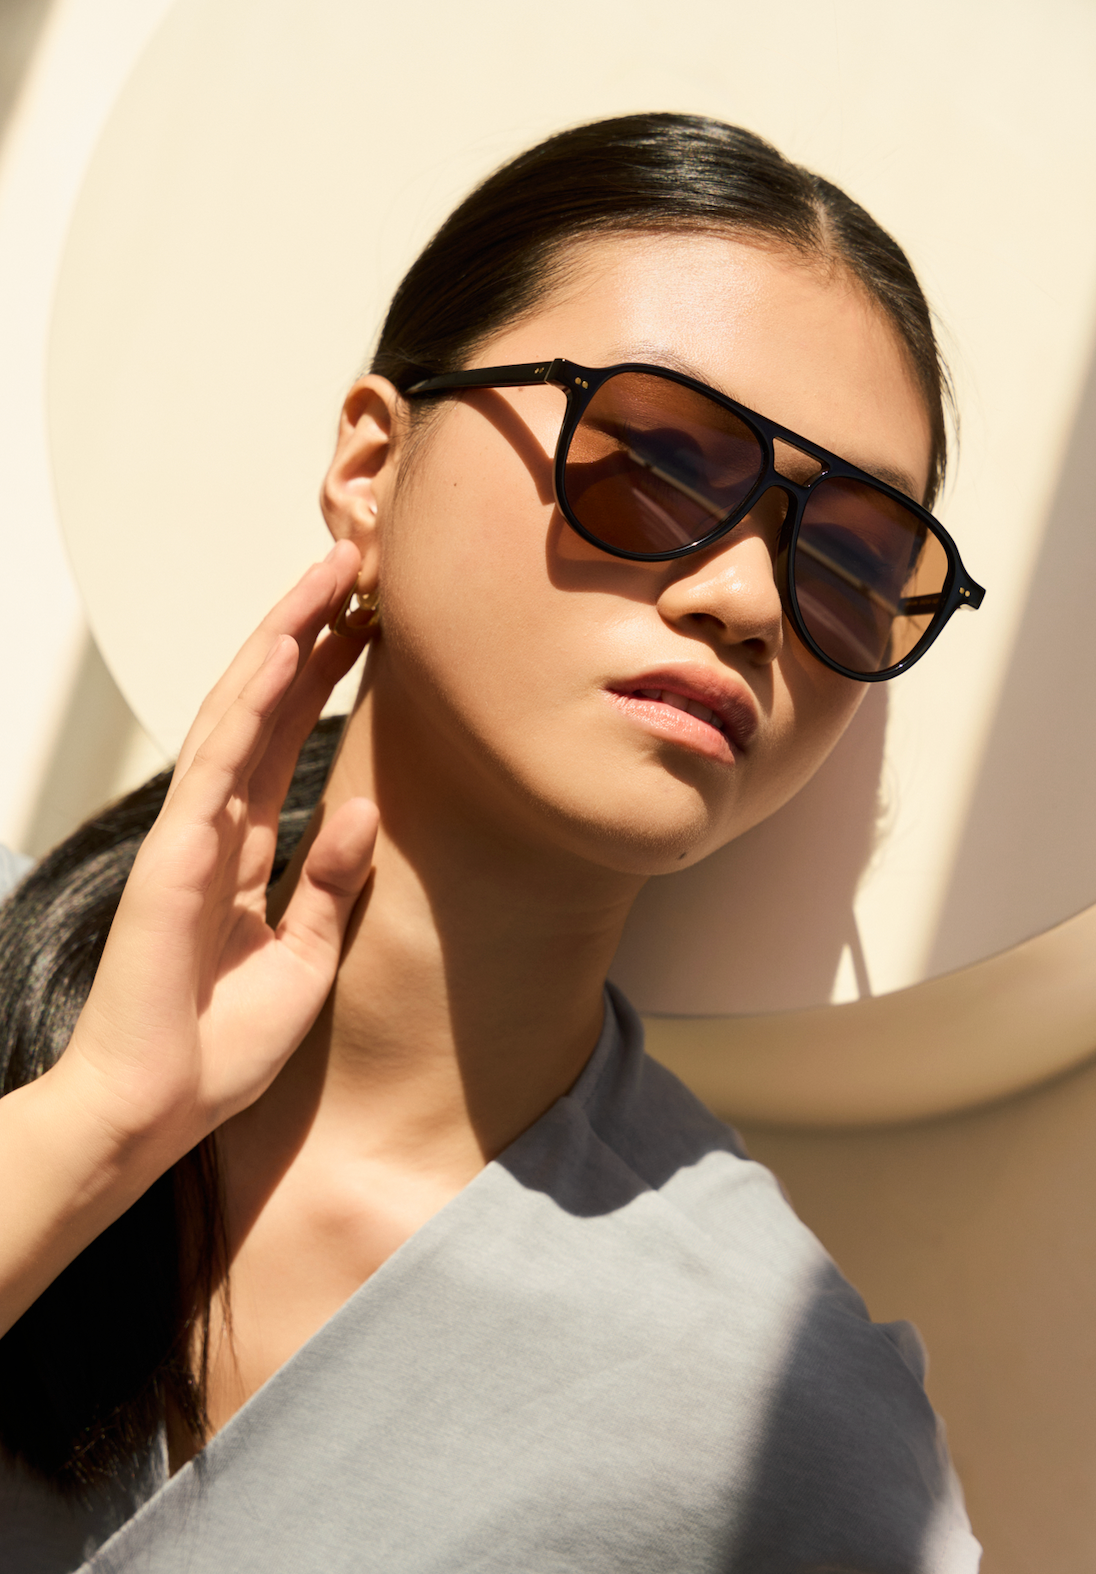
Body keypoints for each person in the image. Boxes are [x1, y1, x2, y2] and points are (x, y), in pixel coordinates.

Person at [0, 114, 985, 1571]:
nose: (746, 597)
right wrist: (97, 1121)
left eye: (849, 556)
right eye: (652, 458)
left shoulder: (779, 1416)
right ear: (370, 469)